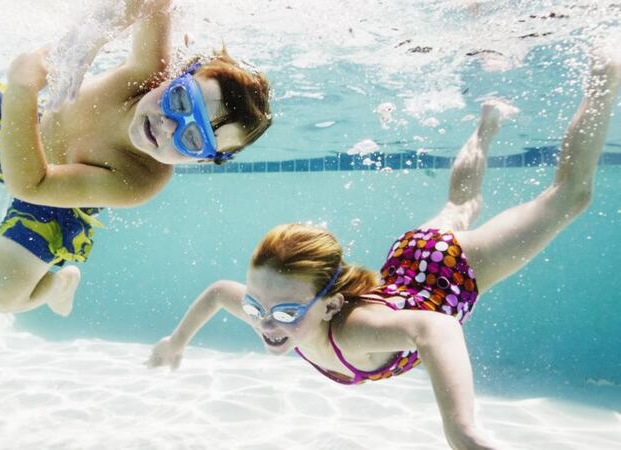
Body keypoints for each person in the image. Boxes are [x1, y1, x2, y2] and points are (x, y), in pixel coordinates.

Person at [147, 47, 620, 449]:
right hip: (410, 262)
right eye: (256, 305)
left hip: (449, 274)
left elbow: (436, 329)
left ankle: (605, 73)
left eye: (287, 313)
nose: (265, 323)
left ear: (333, 304)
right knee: (459, 205)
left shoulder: (353, 332)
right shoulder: (270, 310)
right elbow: (216, 293)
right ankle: (486, 124)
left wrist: (461, 429)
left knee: (568, 198)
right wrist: (175, 342)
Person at [0, 0, 272, 317]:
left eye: (191, 139)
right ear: (175, 76)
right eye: (178, 99)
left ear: (202, 161)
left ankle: (56, 285)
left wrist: (21, 87)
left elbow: (32, 184)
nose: (167, 125)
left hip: (55, 197)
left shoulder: (142, 180)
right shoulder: (143, 74)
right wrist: (87, 40)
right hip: (34, 124)